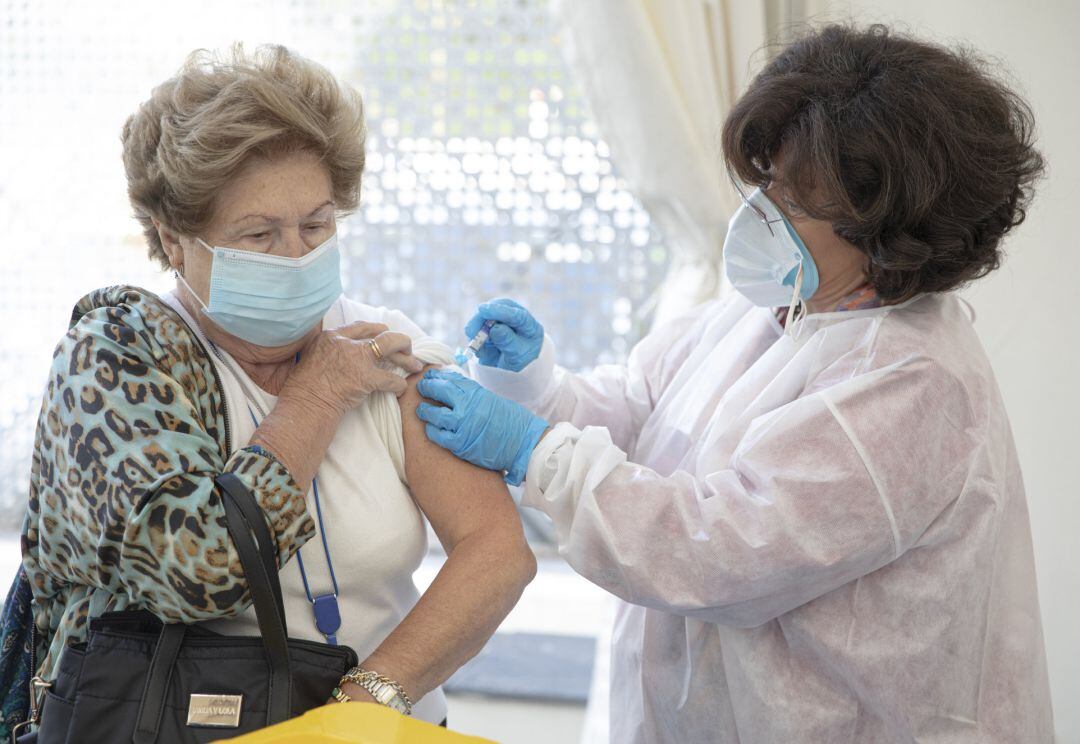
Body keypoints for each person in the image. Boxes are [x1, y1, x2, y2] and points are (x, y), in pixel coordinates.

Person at [416, 24, 1054, 743]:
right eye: (767, 181)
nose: (762, 212)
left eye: (797, 200)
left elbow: (715, 548)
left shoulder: (912, 385)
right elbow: (643, 411)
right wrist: (535, 389)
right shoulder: (783, 307)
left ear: (889, 232)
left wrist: (538, 454)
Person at [0, 45, 535, 736]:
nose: (296, 257)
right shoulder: (119, 359)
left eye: (316, 225)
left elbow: (496, 551)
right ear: (173, 237)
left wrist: (359, 711)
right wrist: (315, 398)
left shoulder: (380, 345)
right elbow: (198, 569)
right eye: (258, 235)